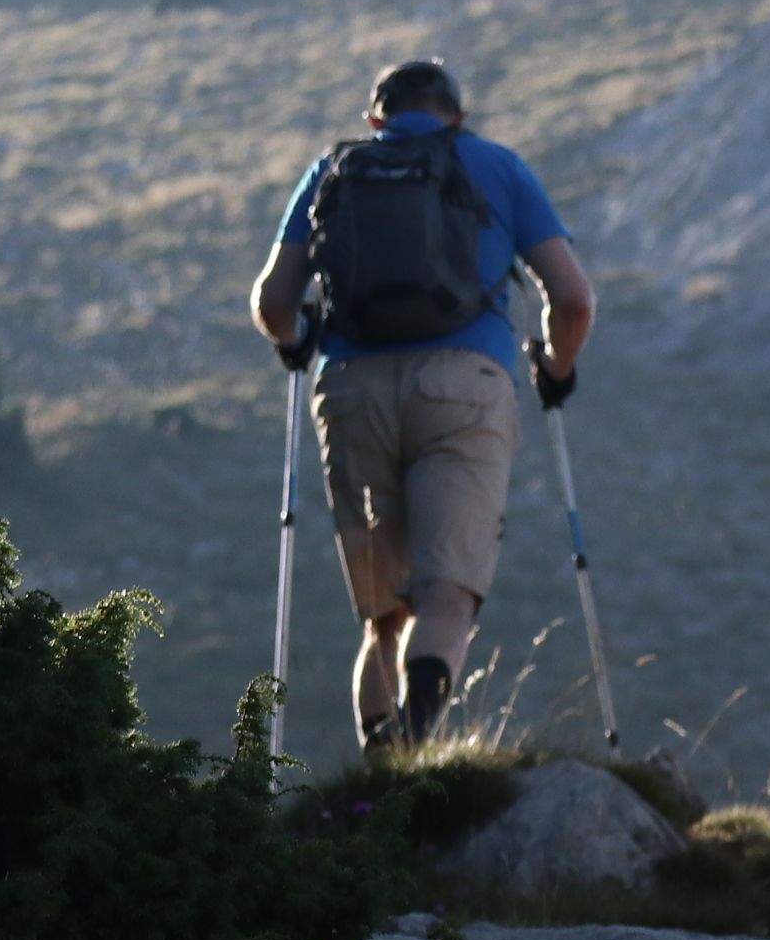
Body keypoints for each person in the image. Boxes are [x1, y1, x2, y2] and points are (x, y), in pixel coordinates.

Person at [248, 58, 596, 750]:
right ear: (457, 117)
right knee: (448, 592)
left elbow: (272, 303)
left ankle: (381, 770)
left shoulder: (331, 174)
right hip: (466, 387)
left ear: (375, 119)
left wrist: (297, 340)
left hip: (351, 392)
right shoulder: (496, 167)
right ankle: (416, 745)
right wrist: (555, 368)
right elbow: (574, 298)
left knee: (384, 614)